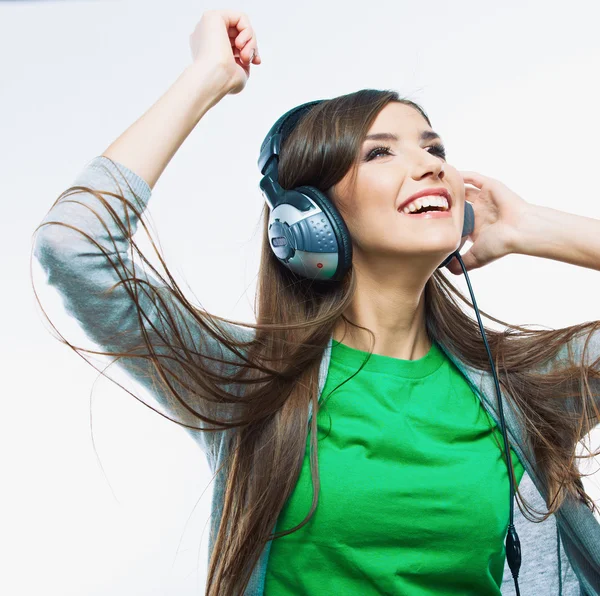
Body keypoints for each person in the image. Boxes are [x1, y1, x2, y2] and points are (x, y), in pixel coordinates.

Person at [32, 8, 600, 596]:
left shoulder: (524, 386)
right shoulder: (249, 384)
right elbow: (73, 246)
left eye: (434, 147)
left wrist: (534, 228)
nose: (431, 164)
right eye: (380, 153)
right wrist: (207, 76)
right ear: (310, 222)